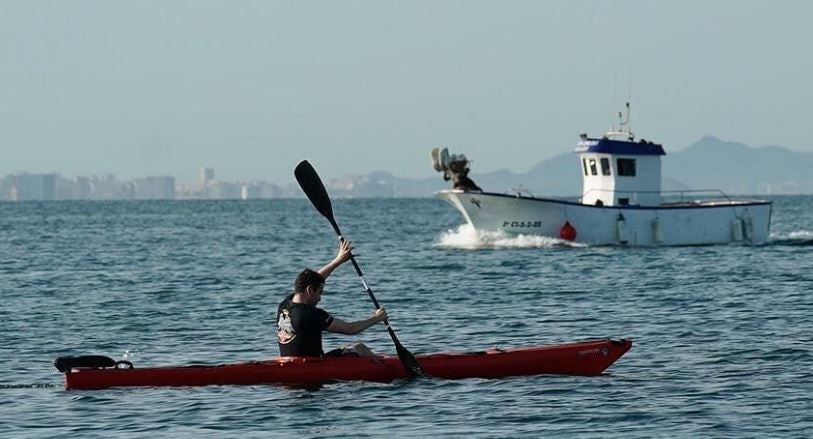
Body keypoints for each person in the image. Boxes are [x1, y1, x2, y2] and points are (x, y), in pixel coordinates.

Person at [277, 238, 388, 358]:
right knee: (359, 348)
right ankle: (387, 367)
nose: (319, 298)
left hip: (288, 363)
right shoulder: (311, 314)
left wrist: (338, 260)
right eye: (319, 293)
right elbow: (350, 329)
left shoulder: (284, 305)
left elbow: (316, 279)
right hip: (314, 366)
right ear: (309, 290)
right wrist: (376, 318)